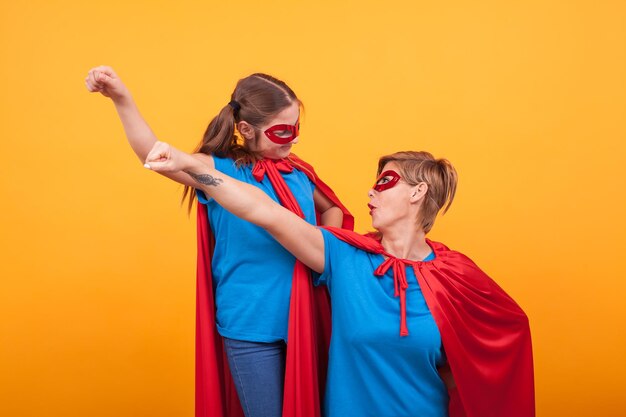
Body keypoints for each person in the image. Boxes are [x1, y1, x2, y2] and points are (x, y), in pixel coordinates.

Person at [143, 143, 535, 417]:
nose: (370, 190)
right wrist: (194, 168)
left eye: (385, 182)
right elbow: (265, 212)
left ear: (418, 192)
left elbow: (476, 358)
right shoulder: (346, 257)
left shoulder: (453, 275)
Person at [85, 67, 353, 417]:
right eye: (283, 130)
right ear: (245, 129)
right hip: (249, 324)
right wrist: (121, 98)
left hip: (304, 316)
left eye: (297, 128)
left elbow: (332, 207)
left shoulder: (298, 171)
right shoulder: (217, 170)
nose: (294, 139)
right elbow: (154, 156)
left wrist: (324, 247)